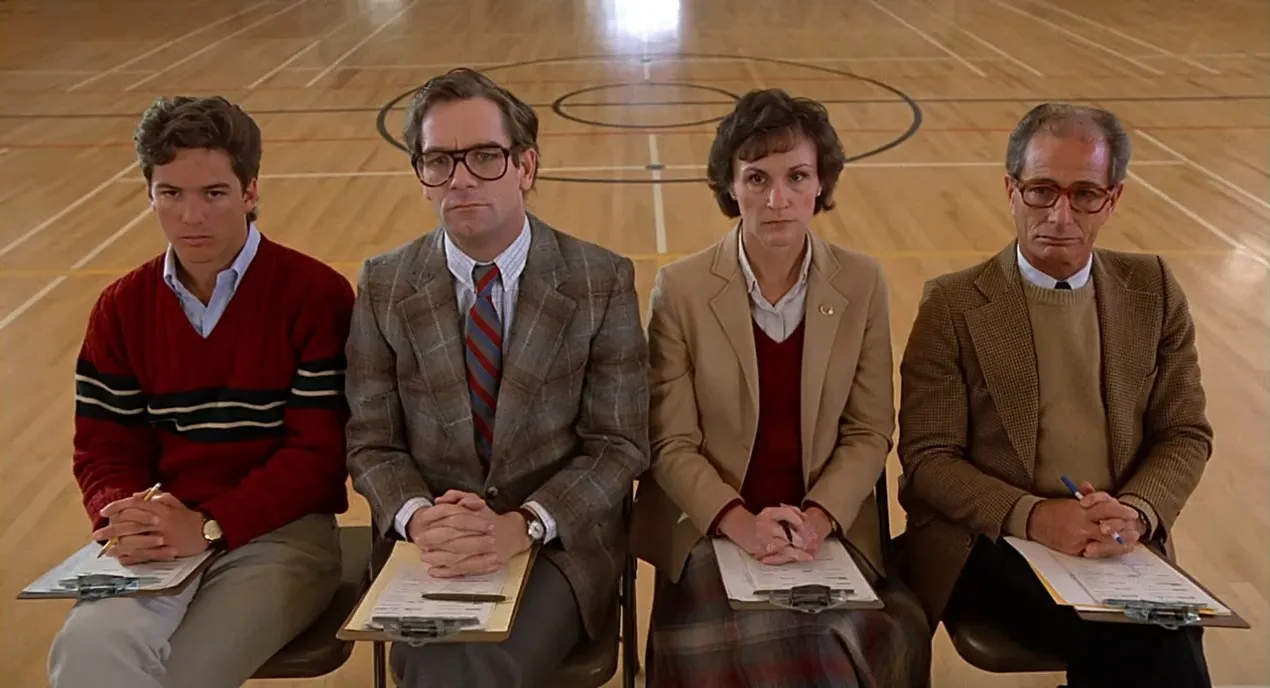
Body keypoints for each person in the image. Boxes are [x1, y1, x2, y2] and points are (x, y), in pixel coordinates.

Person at [344, 67, 650, 688]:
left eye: (484, 156)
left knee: (466, 664)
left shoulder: (599, 280)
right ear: (422, 176)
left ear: (525, 167)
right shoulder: (384, 284)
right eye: (438, 160)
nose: (460, 178)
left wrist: (523, 524)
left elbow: (618, 446)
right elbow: (371, 442)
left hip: (554, 544)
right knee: (434, 657)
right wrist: (420, 519)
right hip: (432, 546)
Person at [897, 102, 1213, 687]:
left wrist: (1136, 512)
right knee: (1143, 639)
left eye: (1085, 194)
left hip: (1115, 541)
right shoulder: (953, 305)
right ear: (1011, 191)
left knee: (1160, 630)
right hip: (992, 541)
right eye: (1041, 191)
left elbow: (1184, 433)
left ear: (1112, 200)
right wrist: (1037, 516)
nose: (1060, 215)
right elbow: (928, 460)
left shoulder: (1155, 290)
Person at [628, 88, 931, 688]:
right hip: (712, 529)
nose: (777, 200)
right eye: (756, 178)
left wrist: (816, 519)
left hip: (824, 530)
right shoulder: (682, 290)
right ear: (730, 186)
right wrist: (741, 523)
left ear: (821, 183)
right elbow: (671, 443)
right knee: (776, 648)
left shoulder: (862, 283)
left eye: (796, 177)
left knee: (834, 640)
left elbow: (870, 430)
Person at [48, 96, 355, 688]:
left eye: (214, 193)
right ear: (150, 193)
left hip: (281, 535)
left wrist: (211, 523)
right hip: (162, 534)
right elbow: (104, 450)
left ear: (250, 191)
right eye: (171, 193)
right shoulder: (121, 309)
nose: (192, 216)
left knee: (184, 675)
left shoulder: (316, 296)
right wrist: (127, 516)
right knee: (82, 653)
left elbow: (320, 458)